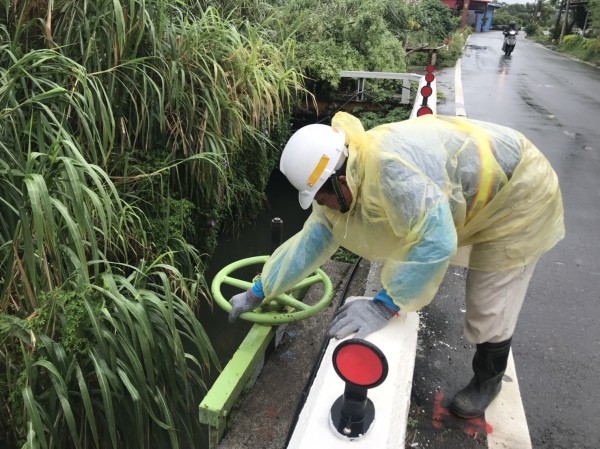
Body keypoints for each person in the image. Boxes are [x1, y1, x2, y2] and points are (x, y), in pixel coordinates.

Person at [227, 111, 564, 419]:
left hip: (520, 192)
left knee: (490, 299)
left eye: (319, 195)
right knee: (427, 240)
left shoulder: (392, 172)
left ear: (339, 182)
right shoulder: (349, 171)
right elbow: (308, 242)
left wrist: (384, 306)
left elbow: (436, 242)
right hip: (479, 189)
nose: (320, 204)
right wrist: (259, 290)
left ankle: (487, 380)